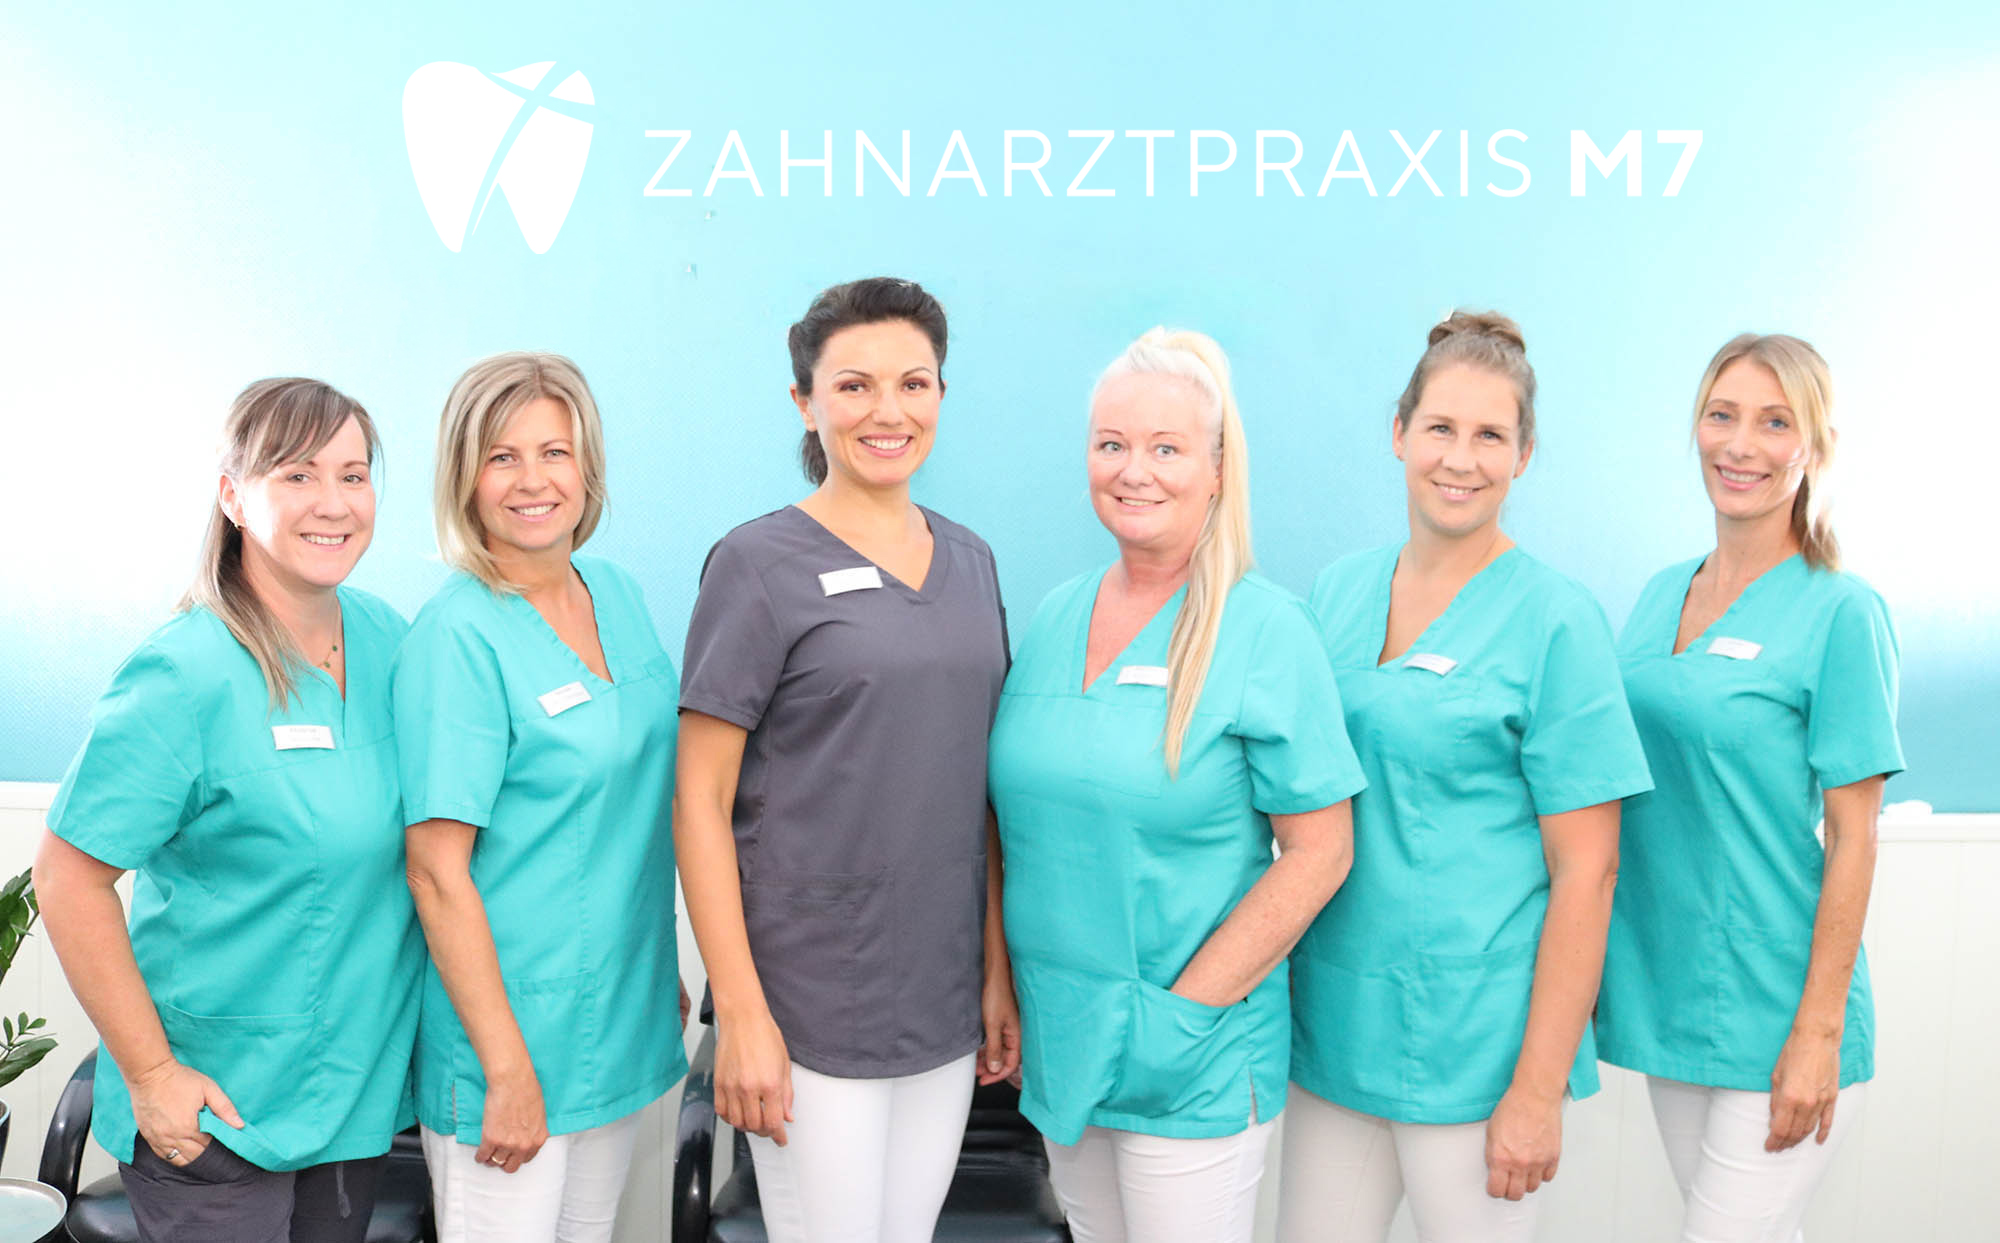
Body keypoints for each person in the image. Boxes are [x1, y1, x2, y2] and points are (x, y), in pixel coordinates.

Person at [1280, 312, 1653, 1243]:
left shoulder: (1558, 620)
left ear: (1524, 455)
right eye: (1440, 427)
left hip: (1480, 1047)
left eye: (1491, 435)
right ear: (1398, 432)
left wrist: (1537, 1088)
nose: (1461, 458)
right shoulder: (1336, 593)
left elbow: (1589, 870)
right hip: (1337, 1023)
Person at [988, 327, 1362, 1243]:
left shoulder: (1266, 630)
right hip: (1064, 1038)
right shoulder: (1055, 616)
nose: (1134, 470)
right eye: (1111, 443)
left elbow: (1320, 851)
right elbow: (1007, 826)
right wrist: (1002, 981)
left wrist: (1187, 1010)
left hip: (1192, 1055)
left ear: (1218, 468)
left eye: (1166, 448)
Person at [34, 379, 422, 1242]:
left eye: (354, 475)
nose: (333, 502)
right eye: (297, 474)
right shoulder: (184, 673)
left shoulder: (391, 640)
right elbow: (66, 877)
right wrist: (152, 1075)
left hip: (352, 1097)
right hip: (217, 1110)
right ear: (233, 495)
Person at [674, 277, 1017, 1243]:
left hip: (942, 997)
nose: (887, 411)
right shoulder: (756, 564)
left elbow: (984, 791)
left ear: (941, 395)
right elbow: (698, 799)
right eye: (854, 386)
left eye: (914, 383)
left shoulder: (973, 562)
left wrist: (995, 972)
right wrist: (742, 1013)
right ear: (806, 403)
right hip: (808, 1004)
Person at [1595, 334, 1900, 1242]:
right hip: (1670, 990)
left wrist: (1818, 1033)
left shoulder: (1841, 610)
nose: (1740, 444)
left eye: (1775, 422)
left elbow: (1855, 834)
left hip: (1779, 1004)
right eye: (1721, 415)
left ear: (1813, 446)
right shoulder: (1661, 593)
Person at [394, 352, 686, 1243]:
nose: (533, 480)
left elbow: (630, 804)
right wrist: (506, 1067)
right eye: (502, 457)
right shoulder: (458, 635)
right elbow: (435, 871)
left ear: (586, 465)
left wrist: (656, 970)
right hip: (506, 1037)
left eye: (554, 452)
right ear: (465, 478)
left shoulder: (618, 595)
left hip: (617, 1012)